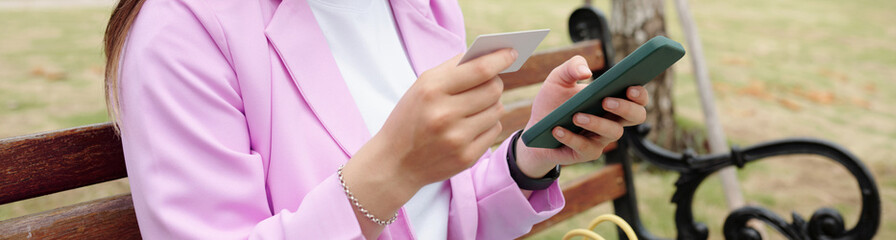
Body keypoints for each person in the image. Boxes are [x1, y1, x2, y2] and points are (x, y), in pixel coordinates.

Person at [103, 0, 650, 239]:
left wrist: (531, 155)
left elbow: (439, 219)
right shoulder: (182, 31)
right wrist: (393, 170)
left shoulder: (422, 5)